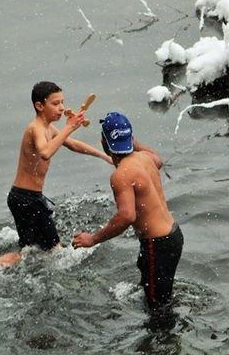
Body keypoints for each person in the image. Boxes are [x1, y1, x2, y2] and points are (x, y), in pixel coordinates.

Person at [72, 112, 183, 318]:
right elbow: (158, 159)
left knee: (157, 312)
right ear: (131, 139)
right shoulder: (145, 158)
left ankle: (164, 344)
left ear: (104, 143)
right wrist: (134, 142)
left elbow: (126, 216)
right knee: (158, 295)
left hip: (156, 244)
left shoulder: (121, 175)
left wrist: (93, 239)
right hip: (174, 236)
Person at [0, 82, 111, 268]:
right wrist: (69, 127)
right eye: (55, 103)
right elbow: (45, 152)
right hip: (26, 199)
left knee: (33, 251)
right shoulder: (36, 128)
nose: (62, 108)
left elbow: (72, 144)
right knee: (49, 252)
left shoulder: (48, 127)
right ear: (39, 106)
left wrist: (104, 156)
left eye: (62, 102)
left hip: (27, 198)